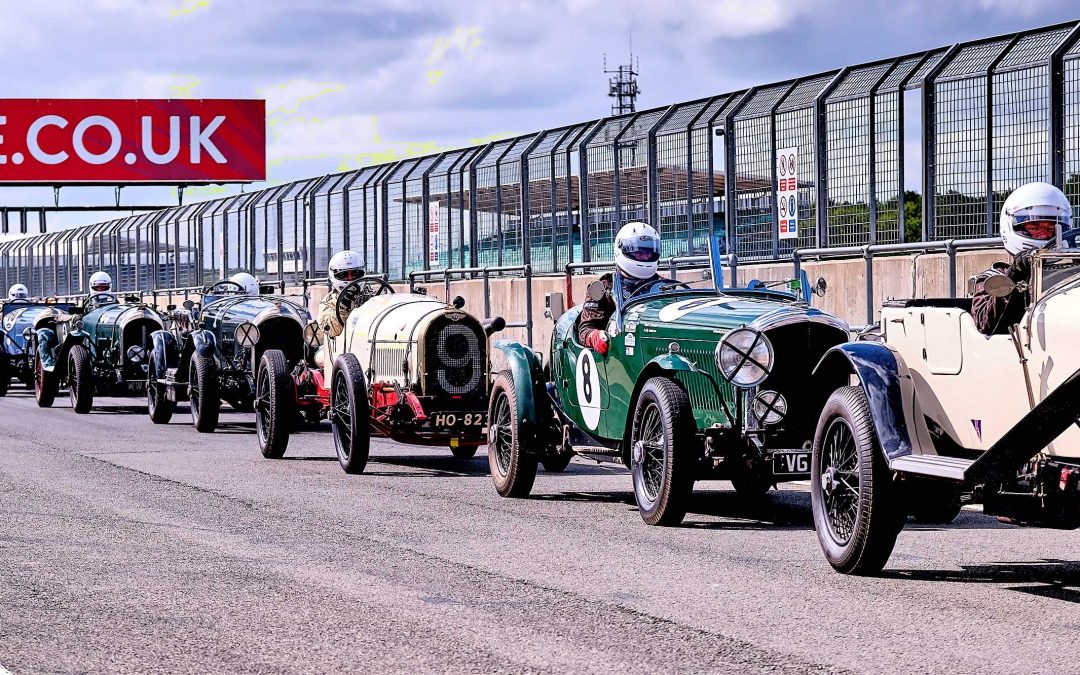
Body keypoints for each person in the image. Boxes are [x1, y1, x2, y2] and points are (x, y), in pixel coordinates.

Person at [972, 181, 1072, 336]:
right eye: (1035, 228)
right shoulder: (992, 278)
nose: (1044, 235)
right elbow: (986, 327)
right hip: (1017, 355)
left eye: (1050, 228)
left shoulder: (1071, 273)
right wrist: (1015, 275)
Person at [578, 221, 667, 356]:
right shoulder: (604, 286)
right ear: (622, 250)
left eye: (649, 252)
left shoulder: (664, 286)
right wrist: (595, 336)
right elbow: (585, 329)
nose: (645, 256)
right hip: (619, 353)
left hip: (654, 347)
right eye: (639, 252)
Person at [318, 249, 365, 340]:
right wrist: (343, 307)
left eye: (355, 273)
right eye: (344, 275)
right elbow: (332, 331)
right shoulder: (328, 303)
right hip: (344, 348)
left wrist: (369, 304)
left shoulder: (376, 296)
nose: (350, 278)